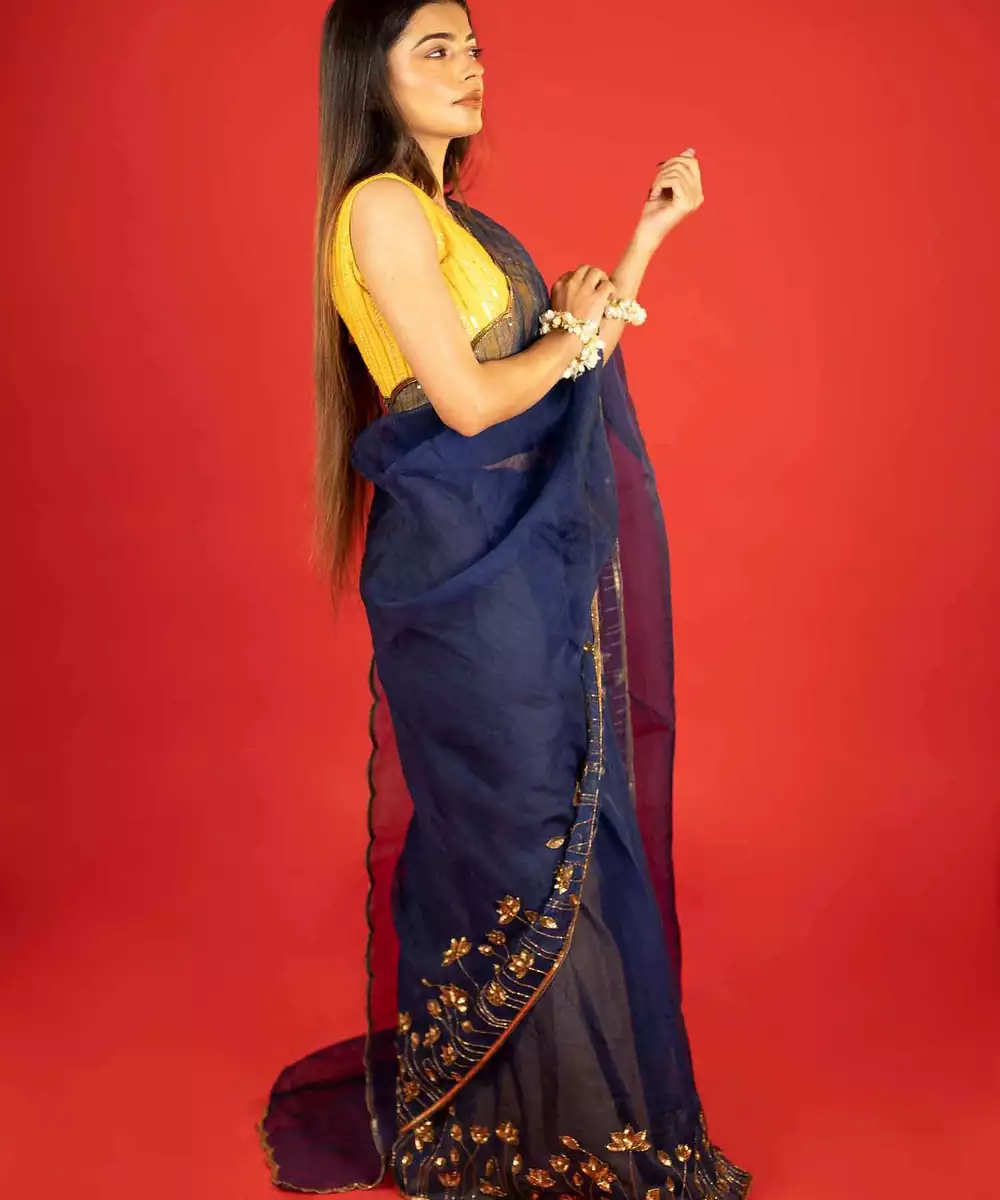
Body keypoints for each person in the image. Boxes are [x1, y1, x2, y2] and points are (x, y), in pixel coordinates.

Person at [257, 2, 753, 1198]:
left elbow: (560, 365)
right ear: (369, 74)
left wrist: (641, 244)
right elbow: (472, 404)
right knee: (513, 829)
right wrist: (574, 326)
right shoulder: (381, 207)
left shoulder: (452, 219)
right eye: (435, 49)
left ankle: (574, 1127)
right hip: (463, 578)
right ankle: (505, 1136)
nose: (468, 66)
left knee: (559, 817)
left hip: (519, 567)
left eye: (472, 46)